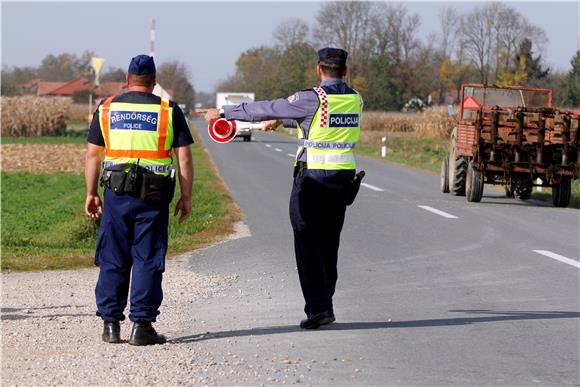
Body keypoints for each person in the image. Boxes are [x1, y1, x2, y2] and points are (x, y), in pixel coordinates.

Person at [204, 48, 362, 329]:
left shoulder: (311, 98)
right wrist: (284, 121)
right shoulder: (355, 99)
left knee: (306, 240)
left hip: (313, 179)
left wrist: (224, 112)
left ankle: (319, 308)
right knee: (329, 243)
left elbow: (266, 107)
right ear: (345, 71)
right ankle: (325, 301)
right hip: (343, 180)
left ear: (318, 70)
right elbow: (317, 120)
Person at [85, 54, 194, 345]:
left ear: (126, 81)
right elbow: (183, 155)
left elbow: (93, 153)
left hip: (116, 194)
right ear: (154, 81)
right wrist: (186, 197)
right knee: (147, 257)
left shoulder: (107, 108)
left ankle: (110, 325)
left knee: (113, 256)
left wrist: (91, 193)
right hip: (153, 197)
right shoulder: (169, 110)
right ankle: (142, 327)